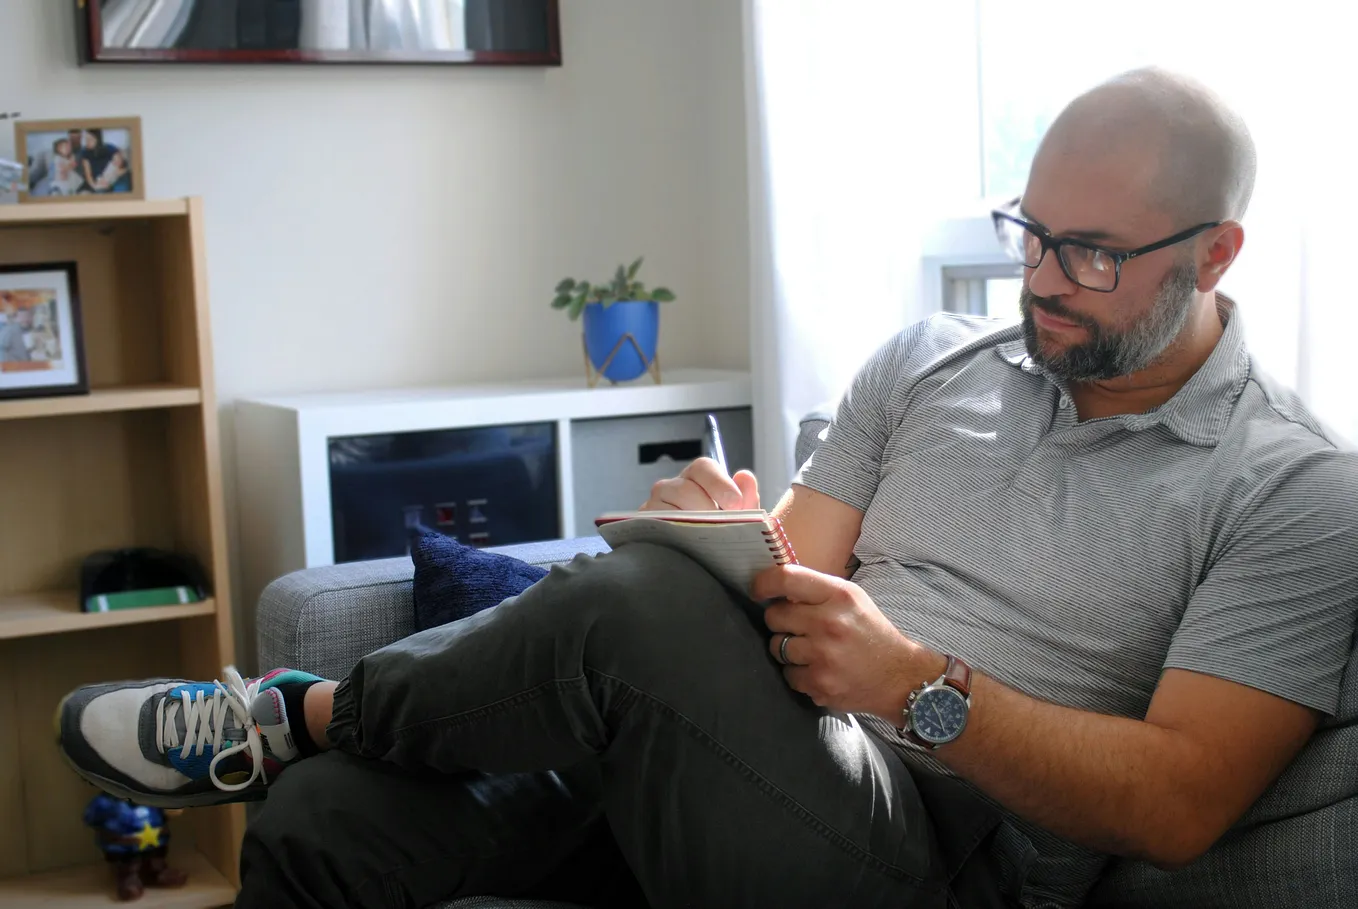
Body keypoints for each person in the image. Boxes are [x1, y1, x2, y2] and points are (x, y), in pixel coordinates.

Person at [57, 67, 1358, 909]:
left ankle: (297, 711)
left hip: (943, 857)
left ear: (1215, 254)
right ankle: (305, 748)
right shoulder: (929, 362)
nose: (1041, 281)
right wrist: (722, 541)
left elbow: (1180, 805)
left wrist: (915, 685)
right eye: (1030, 234)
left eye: (1091, 255)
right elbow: (787, 572)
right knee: (331, 821)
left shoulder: (1293, 491)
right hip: (759, 755)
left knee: (639, 612)